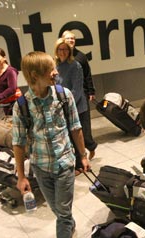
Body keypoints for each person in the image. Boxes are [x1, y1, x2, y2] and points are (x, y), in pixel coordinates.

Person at [12, 51, 90, 238]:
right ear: (35, 75)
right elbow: (18, 143)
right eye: (51, 70)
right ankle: (68, 224)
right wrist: (21, 176)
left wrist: (82, 155)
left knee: (62, 211)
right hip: (41, 167)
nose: (56, 73)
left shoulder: (63, 95)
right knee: (59, 211)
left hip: (65, 163)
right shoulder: (22, 105)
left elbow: (76, 127)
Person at [54, 38, 88, 175]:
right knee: (66, 137)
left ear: (70, 51)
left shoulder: (75, 65)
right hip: (61, 107)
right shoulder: (55, 66)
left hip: (75, 107)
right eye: (60, 49)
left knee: (76, 137)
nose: (63, 52)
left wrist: (66, 105)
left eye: (66, 49)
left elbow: (77, 90)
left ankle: (80, 165)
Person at [62, 30, 98, 160]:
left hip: (80, 96)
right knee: (72, 129)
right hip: (65, 99)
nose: (71, 40)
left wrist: (91, 91)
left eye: (73, 38)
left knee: (84, 126)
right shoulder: (59, 59)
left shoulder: (80, 57)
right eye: (68, 38)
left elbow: (88, 75)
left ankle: (91, 146)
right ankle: (78, 153)